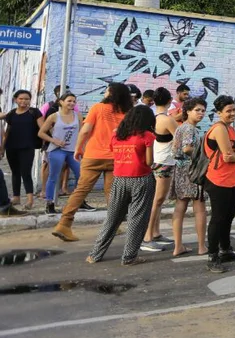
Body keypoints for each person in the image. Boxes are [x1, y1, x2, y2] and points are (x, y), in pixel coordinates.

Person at [53, 82, 133, 241]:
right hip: (115, 157)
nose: (104, 92)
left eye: (106, 90)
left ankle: (64, 224)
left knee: (81, 190)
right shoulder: (128, 112)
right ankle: (113, 226)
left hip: (93, 155)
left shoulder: (97, 108)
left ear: (111, 93)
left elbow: (85, 130)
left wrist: (78, 148)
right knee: (112, 192)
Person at [86, 105, 156, 266]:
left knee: (112, 218)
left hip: (119, 179)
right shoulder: (147, 136)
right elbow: (149, 162)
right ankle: (129, 257)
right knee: (137, 219)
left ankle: (94, 255)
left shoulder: (117, 135)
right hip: (141, 180)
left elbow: (113, 153)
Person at [204, 95, 235, 273]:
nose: (232, 113)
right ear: (219, 113)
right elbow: (228, 155)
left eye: (233, 110)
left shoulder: (231, 130)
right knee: (218, 218)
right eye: (228, 111)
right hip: (217, 180)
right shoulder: (219, 129)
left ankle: (225, 249)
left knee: (229, 216)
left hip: (230, 179)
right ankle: (212, 256)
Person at [170, 97, 209, 258]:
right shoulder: (190, 129)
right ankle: (201, 246)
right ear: (187, 111)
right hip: (192, 170)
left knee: (180, 208)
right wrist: (202, 158)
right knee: (200, 208)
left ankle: (178, 245)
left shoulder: (181, 127)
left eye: (203, 110)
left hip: (180, 171)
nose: (201, 113)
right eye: (197, 110)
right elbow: (187, 148)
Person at [141, 87, 178, 253]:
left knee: (158, 199)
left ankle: (155, 233)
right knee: (158, 199)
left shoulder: (151, 118)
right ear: (170, 101)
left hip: (155, 160)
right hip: (164, 162)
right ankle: (147, 236)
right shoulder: (168, 120)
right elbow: (181, 140)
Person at [38, 91, 81, 215]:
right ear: (61, 102)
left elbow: (81, 132)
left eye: (74, 101)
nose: (72, 103)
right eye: (69, 101)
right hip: (57, 150)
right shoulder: (54, 116)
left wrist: (81, 147)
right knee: (53, 176)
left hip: (72, 151)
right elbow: (41, 133)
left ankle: (79, 202)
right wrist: (54, 140)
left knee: (82, 176)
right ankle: (49, 204)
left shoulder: (77, 115)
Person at [1, 89, 43, 209]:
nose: (24, 101)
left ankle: (30, 200)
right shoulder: (12, 113)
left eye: (27, 99)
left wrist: (47, 142)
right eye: (21, 98)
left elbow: (42, 128)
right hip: (11, 146)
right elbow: (7, 131)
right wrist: (2, 148)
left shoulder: (34, 112)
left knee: (25, 172)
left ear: (30, 100)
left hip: (27, 147)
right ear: (15, 100)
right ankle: (16, 197)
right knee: (15, 172)